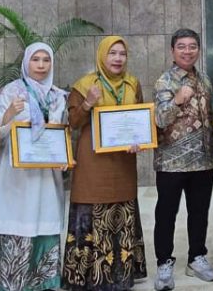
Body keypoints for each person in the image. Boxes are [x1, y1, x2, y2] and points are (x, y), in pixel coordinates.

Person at [61, 36, 147, 290]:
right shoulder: (85, 85)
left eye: (122, 54)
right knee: (92, 208)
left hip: (123, 162)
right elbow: (72, 123)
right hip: (93, 161)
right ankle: (88, 277)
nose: (118, 59)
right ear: (101, 56)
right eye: (112, 53)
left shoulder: (132, 84)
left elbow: (140, 117)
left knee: (123, 209)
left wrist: (139, 139)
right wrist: (88, 102)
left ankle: (121, 275)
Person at [0, 42, 67, 291]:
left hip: (46, 174)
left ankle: (45, 283)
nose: (41, 65)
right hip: (17, 175)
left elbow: (62, 132)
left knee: (46, 221)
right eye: (36, 60)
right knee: (18, 222)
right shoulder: (11, 92)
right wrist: (10, 113)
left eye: (46, 60)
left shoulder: (58, 95)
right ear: (26, 63)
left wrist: (64, 156)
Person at [152, 28, 213, 291]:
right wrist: (178, 100)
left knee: (199, 212)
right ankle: (164, 263)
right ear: (172, 51)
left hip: (203, 160)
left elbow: (209, 118)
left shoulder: (205, 79)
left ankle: (196, 257)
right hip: (171, 162)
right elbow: (159, 119)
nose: (187, 51)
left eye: (192, 46)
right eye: (182, 46)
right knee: (167, 213)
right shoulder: (164, 81)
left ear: (198, 50)